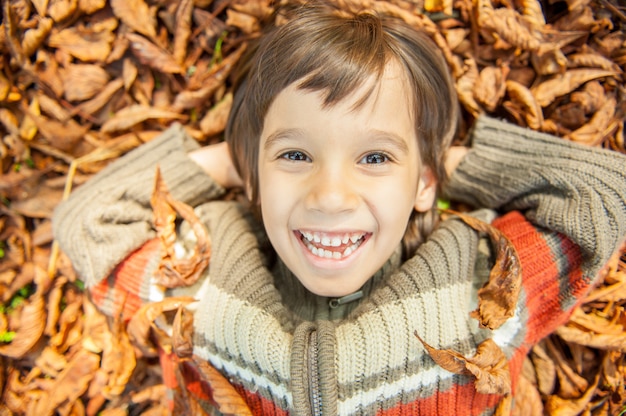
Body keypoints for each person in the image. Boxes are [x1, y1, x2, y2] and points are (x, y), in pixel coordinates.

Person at [53, 2, 626, 415]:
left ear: (423, 184)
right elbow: (88, 222)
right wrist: (235, 161)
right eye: (296, 154)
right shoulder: (198, 283)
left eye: (375, 156)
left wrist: (438, 163)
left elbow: (603, 190)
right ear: (255, 174)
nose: (330, 196)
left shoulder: (483, 289)